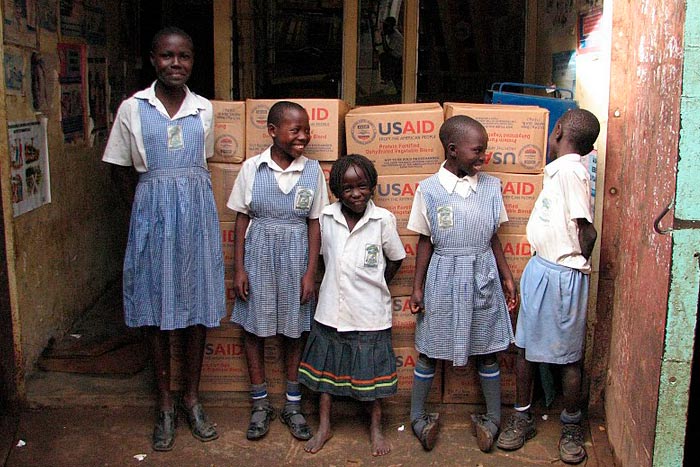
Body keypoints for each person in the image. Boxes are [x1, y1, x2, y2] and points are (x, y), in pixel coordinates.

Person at [102, 27, 224, 452]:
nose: (177, 64)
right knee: (155, 310)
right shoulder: (133, 108)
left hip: (196, 217)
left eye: (185, 57)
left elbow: (200, 161)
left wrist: (181, 201)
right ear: (153, 59)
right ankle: (165, 403)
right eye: (168, 56)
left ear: (193, 61)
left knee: (197, 308)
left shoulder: (203, 109)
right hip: (152, 215)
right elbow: (118, 168)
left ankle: (192, 398)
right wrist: (145, 208)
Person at [407, 115, 519, 453]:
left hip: (481, 274)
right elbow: (425, 241)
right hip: (443, 276)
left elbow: (493, 237)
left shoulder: (490, 187)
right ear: (453, 150)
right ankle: (417, 417)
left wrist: (506, 275)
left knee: (487, 351)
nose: (483, 157)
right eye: (478, 150)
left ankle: (493, 419)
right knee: (429, 350)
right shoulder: (428, 190)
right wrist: (417, 286)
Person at [496, 109, 600, 465]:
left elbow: (587, 231)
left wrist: (573, 266)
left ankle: (571, 424)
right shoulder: (557, 171)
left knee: (568, 357)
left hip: (562, 272)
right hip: (542, 267)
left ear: (557, 132)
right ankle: (522, 416)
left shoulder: (571, 171)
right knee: (524, 347)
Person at [227, 101, 329, 442]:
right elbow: (242, 219)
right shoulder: (252, 168)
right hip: (258, 256)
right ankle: (259, 403)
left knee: (294, 331)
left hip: (297, 256)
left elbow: (315, 224)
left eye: (306, 130)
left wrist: (310, 272)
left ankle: (293, 404)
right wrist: (239, 269)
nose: (303, 136)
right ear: (272, 131)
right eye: (294, 130)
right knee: (255, 330)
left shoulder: (313, 171)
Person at [298, 154, 406, 457]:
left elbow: (396, 258)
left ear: (372, 185)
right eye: (347, 188)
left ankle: (375, 429)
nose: (355, 193)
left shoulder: (382, 219)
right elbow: (320, 259)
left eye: (362, 186)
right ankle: (324, 426)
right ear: (336, 191)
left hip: (369, 312)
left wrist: (376, 282)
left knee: (372, 377)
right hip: (331, 309)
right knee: (327, 377)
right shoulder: (326, 217)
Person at [379, 16, 403, 94]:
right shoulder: (391, 35)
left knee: (384, 58)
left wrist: (383, 37)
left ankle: (386, 78)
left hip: (398, 58)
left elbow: (388, 49)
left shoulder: (395, 36)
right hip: (395, 57)